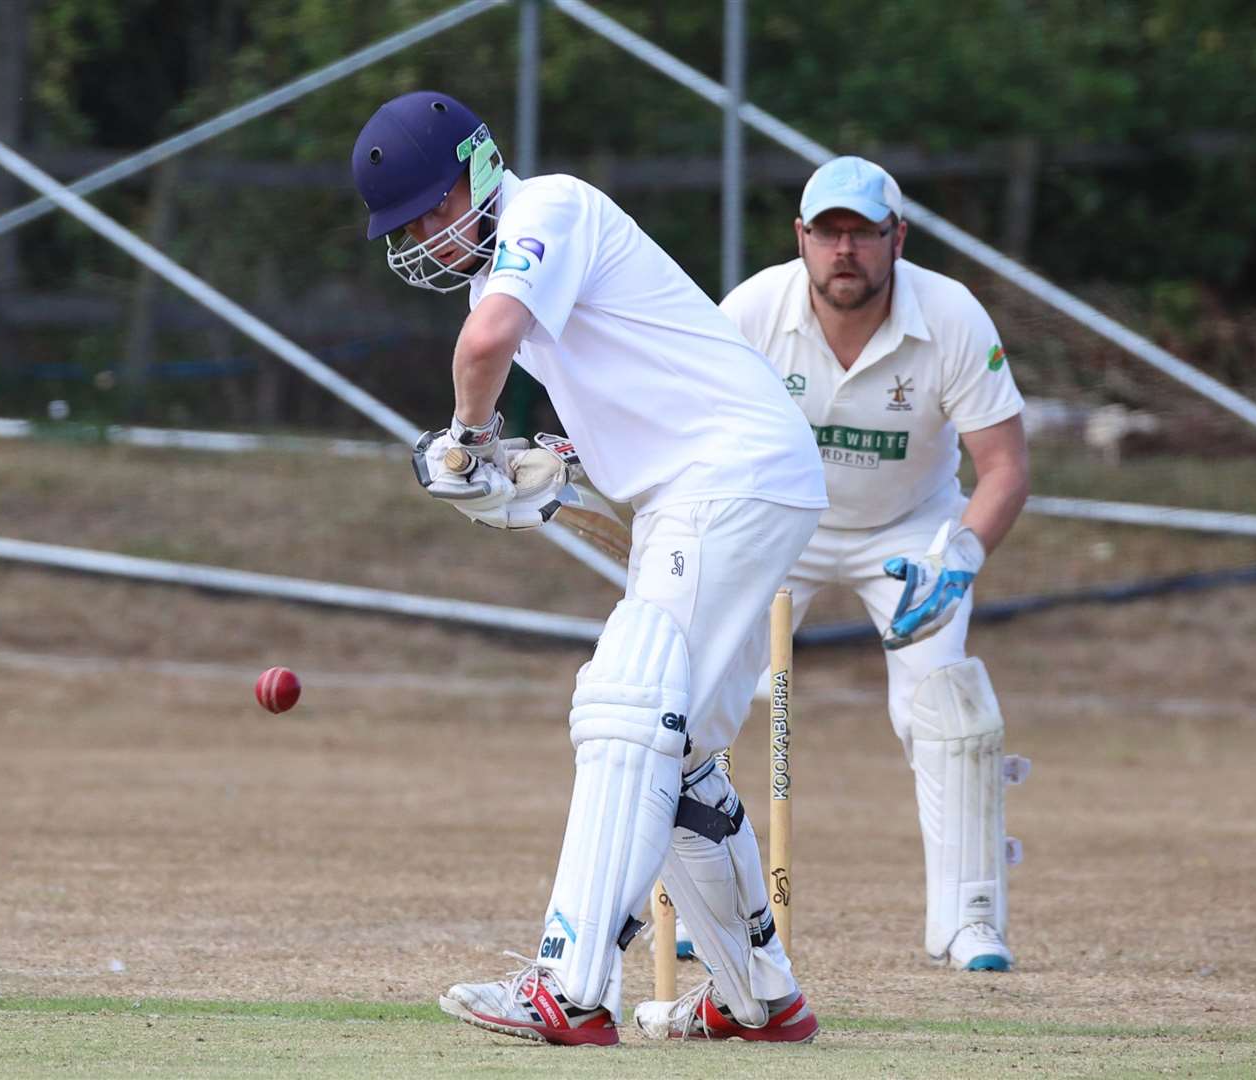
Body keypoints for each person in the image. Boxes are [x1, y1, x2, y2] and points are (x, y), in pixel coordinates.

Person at [350, 91, 827, 1045]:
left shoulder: (547, 209)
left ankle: (568, 987)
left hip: (725, 482)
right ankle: (759, 1000)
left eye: (436, 210)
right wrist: (551, 471)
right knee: (681, 751)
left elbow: (484, 342)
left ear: (482, 171)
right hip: (728, 485)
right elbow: (632, 412)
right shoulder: (546, 263)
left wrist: (467, 443)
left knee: (622, 707)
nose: (431, 238)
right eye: (411, 228)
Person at [717, 156, 1032, 973]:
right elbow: (692, 429)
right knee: (702, 690)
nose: (844, 250)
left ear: (898, 237)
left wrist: (959, 557)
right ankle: (710, 907)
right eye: (828, 233)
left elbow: (1003, 466)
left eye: (862, 232)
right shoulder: (753, 309)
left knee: (948, 709)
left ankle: (970, 919)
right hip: (780, 516)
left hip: (911, 530)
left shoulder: (952, 317)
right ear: (802, 238)